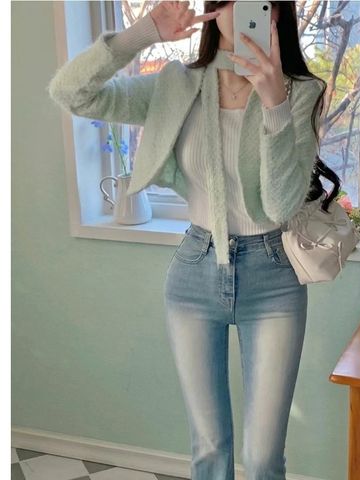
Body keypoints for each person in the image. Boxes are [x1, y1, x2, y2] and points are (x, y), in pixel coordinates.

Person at [48, 2, 341, 479]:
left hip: (274, 279)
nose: (252, 13)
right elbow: (71, 93)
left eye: (266, 4)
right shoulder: (177, 86)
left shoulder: (300, 91)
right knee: (208, 449)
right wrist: (142, 33)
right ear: (215, 9)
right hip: (195, 271)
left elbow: (281, 204)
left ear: (278, 15)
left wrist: (274, 105)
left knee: (264, 457)